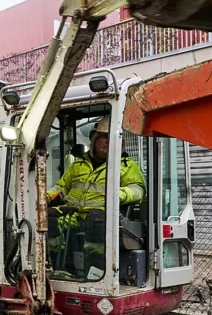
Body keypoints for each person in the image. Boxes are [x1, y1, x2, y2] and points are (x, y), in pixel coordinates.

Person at [46, 117, 146, 273]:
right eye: (103, 137)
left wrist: (119, 194)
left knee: (96, 220)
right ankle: (58, 266)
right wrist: (45, 197)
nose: (107, 141)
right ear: (94, 140)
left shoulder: (127, 166)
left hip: (102, 216)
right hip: (72, 215)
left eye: (112, 138)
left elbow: (138, 189)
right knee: (48, 217)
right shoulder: (78, 165)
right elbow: (62, 188)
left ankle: (95, 271)